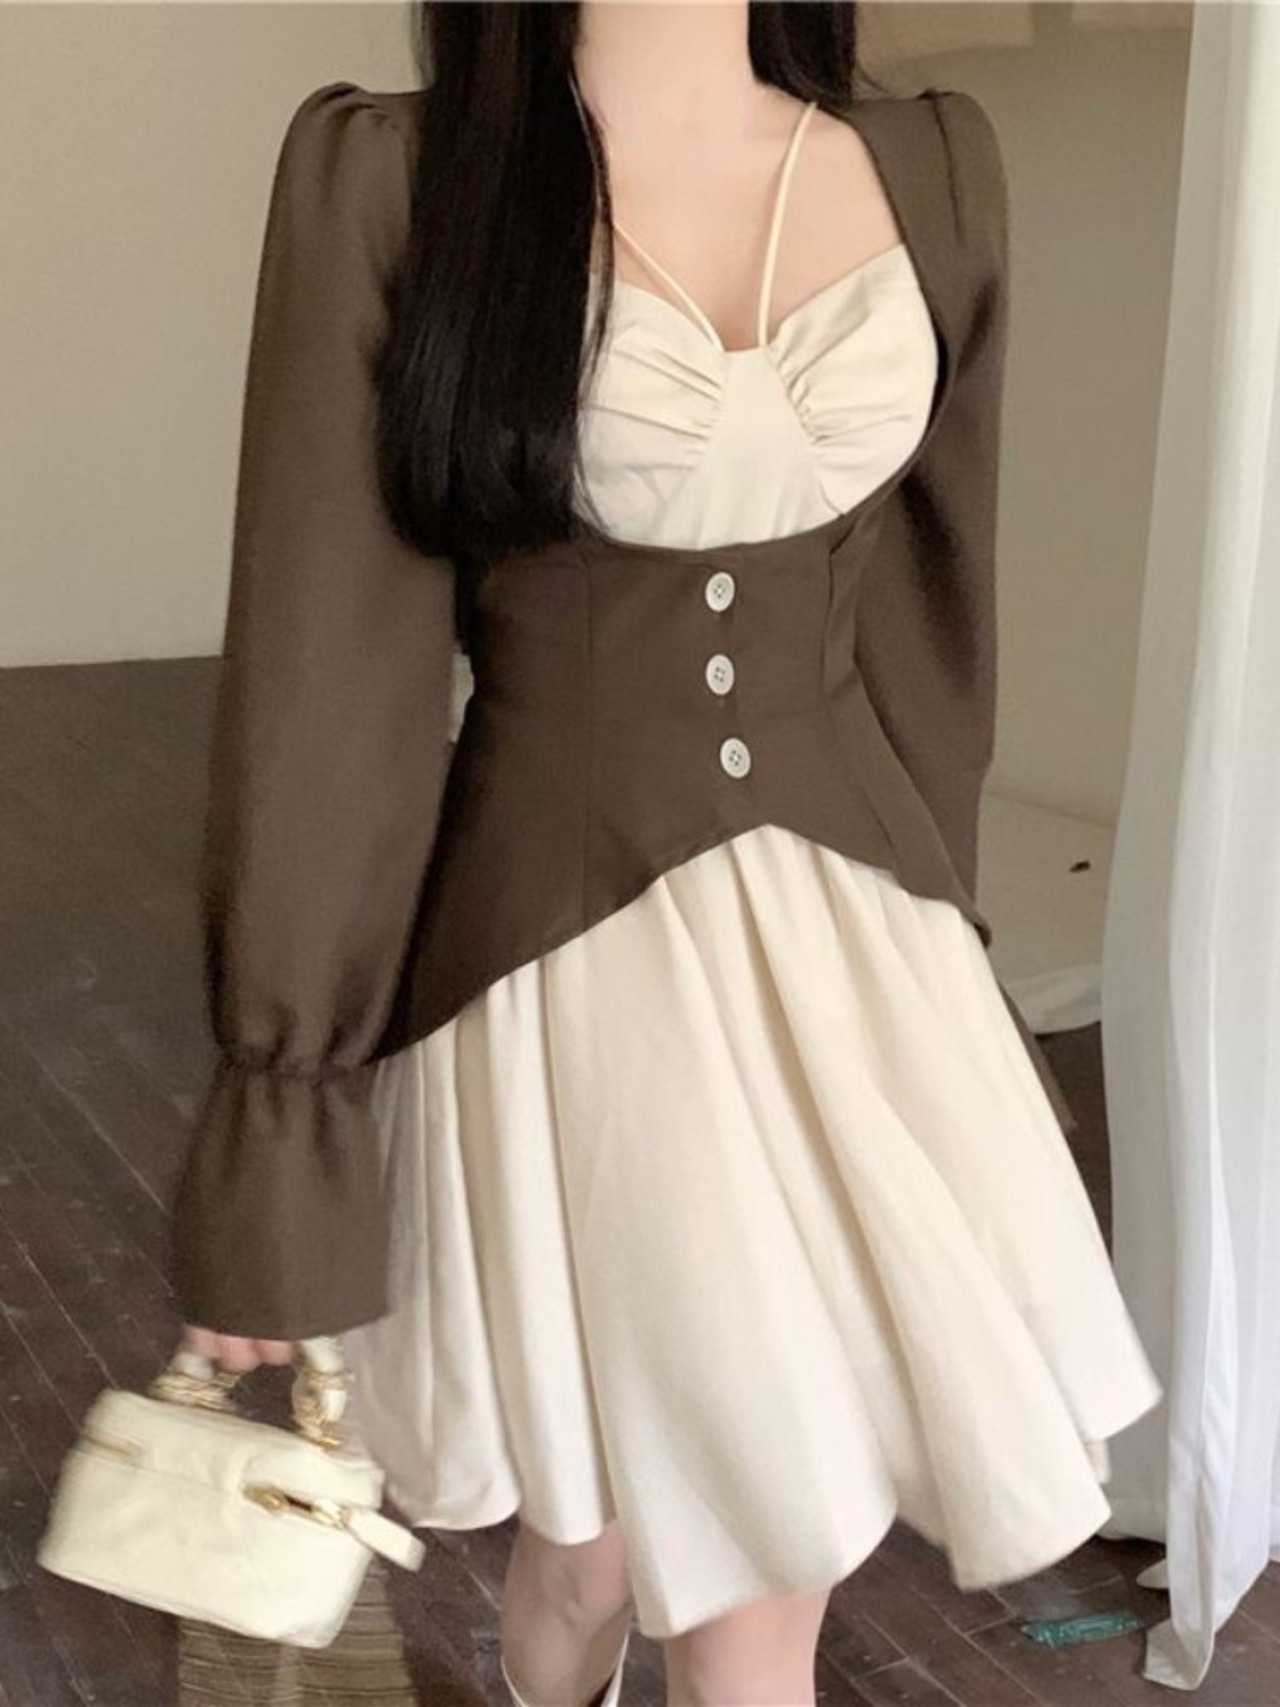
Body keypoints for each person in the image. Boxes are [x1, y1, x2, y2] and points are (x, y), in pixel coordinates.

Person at [170, 5, 1164, 1704]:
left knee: (726, 1555)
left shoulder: (933, 168)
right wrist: (285, 1125)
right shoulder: (398, 181)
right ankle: (560, 1637)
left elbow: (934, 625)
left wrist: (942, 973)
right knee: (633, 1544)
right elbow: (325, 677)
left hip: (853, 957)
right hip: (571, 952)